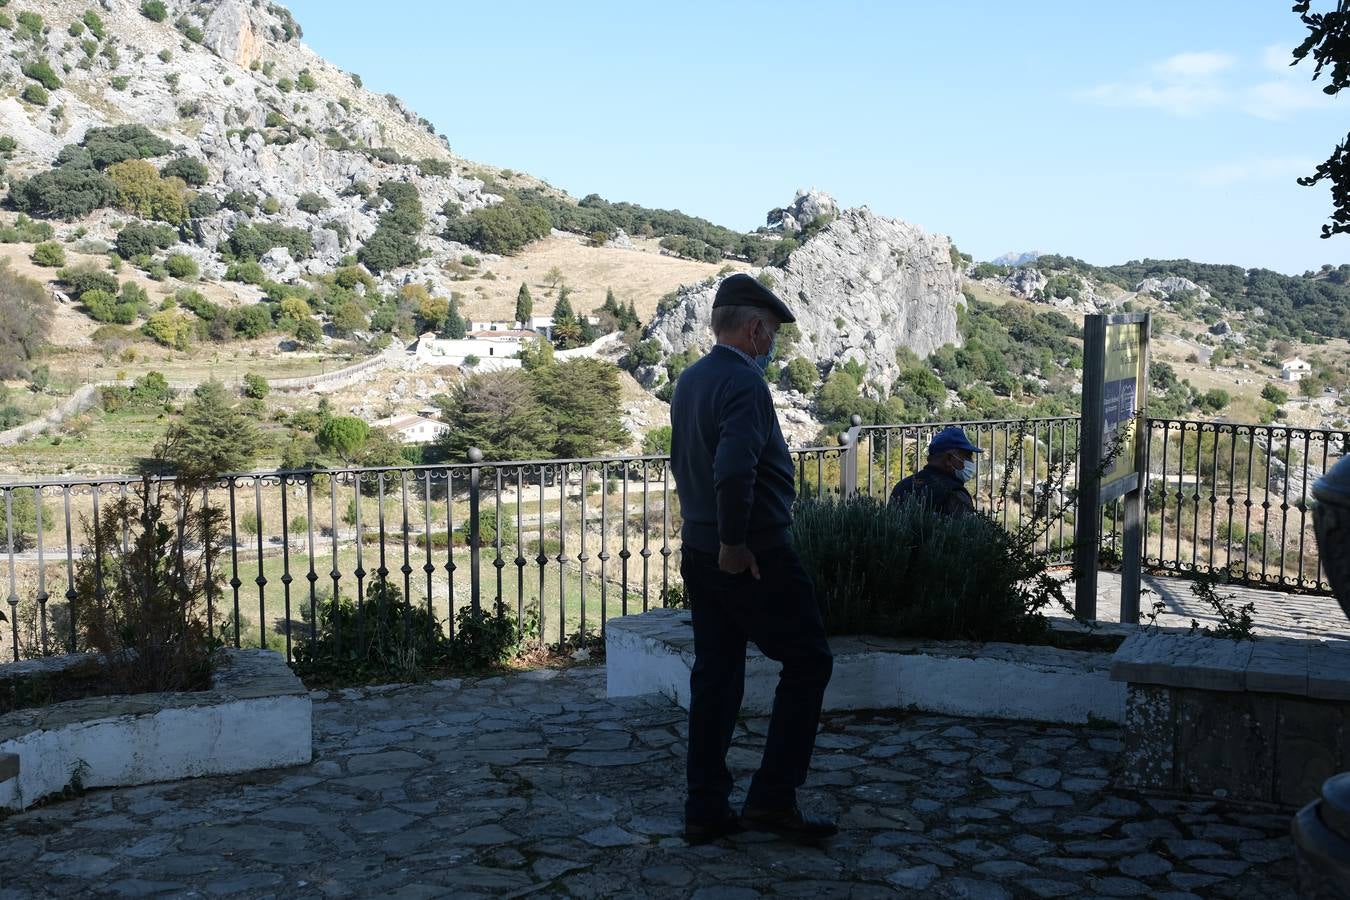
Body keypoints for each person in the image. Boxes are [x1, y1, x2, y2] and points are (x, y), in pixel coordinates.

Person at [670, 273, 836, 844]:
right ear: (755, 328)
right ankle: (772, 798)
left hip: (699, 546)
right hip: (752, 551)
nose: (772, 346)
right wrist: (736, 545)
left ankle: (705, 808)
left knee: (716, 675)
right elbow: (734, 468)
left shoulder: (690, 380)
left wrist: (712, 540)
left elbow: (688, 464)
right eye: (771, 335)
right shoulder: (745, 384)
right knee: (809, 661)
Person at [888, 426, 982, 516]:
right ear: (949, 458)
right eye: (967, 456)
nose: (971, 462)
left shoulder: (903, 485)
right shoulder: (955, 494)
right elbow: (966, 530)